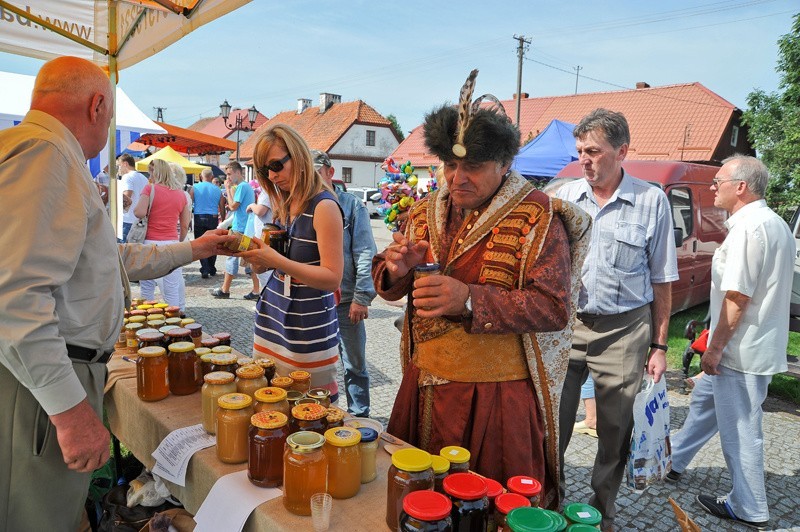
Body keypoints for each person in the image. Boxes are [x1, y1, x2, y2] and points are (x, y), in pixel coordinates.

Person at [0, 56, 233, 531]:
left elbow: (111, 260)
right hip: (43, 385)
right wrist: (69, 414)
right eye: (108, 120)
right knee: (36, 519)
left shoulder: (40, 151)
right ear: (97, 105)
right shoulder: (46, 154)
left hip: (46, 374)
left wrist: (194, 248)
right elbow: (15, 298)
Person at [372, 70, 589, 507]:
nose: (457, 178)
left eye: (473, 166)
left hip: (496, 398)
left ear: (505, 163)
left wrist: (468, 298)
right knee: (417, 503)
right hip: (423, 387)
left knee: (488, 509)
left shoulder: (540, 217)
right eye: (450, 165)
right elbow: (388, 282)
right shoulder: (422, 211)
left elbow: (553, 308)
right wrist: (397, 270)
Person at [555, 108, 678, 531]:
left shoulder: (651, 201)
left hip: (625, 329)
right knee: (552, 421)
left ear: (622, 151)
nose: (584, 160)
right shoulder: (565, 198)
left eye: (594, 151)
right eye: (580, 152)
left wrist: (660, 346)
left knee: (615, 428)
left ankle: (601, 511)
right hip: (566, 327)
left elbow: (662, 280)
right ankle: (550, 500)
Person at [666, 156, 793, 530]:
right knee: (706, 405)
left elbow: (738, 296)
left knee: (741, 429)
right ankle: (672, 461)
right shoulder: (773, 223)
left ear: (741, 186)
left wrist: (715, 348)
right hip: (751, 345)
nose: (711, 187)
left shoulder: (750, 228)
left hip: (739, 351)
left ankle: (750, 506)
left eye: (717, 181)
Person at [231, 124, 344, 402]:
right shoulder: (286, 202)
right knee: (272, 402)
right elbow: (274, 262)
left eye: (276, 165)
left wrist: (276, 259)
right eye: (263, 170)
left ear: (299, 156)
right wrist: (254, 258)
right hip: (273, 318)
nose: (271, 175)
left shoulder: (324, 206)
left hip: (308, 329)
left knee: (310, 409)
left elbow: (332, 278)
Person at [313, 149, 377, 417]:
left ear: (330, 172)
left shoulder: (351, 205)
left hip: (346, 298)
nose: (312, 180)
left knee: (354, 363)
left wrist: (362, 296)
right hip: (313, 301)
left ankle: (359, 416)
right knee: (316, 363)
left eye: (317, 173)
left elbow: (364, 251)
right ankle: (319, 416)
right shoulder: (301, 206)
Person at [133, 159, 191, 310]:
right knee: (172, 288)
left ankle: (147, 322)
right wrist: (178, 240)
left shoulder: (149, 189)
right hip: (172, 243)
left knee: (147, 287)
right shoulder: (181, 194)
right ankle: (175, 323)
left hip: (149, 242)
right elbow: (184, 225)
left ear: (154, 172)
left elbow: (139, 212)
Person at [210, 161, 260, 300]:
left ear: (238, 172)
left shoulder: (242, 187)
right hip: (244, 228)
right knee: (247, 259)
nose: (228, 177)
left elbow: (232, 206)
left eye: (229, 174)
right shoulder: (246, 187)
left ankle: (225, 290)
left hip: (240, 229)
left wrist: (227, 190)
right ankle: (256, 290)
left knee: (232, 257)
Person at [190, 167, 225, 278]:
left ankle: (204, 268)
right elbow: (222, 206)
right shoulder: (217, 189)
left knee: (200, 243)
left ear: (201, 176)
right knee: (213, 243)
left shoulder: (194, 188)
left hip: (199, 216)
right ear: (212, 177)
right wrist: (223, 220)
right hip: (213, 218)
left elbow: (189, 204)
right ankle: (212, 267)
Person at [116, 153, 148, 242]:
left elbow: (126, 197)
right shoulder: (144, 178)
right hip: (139, 221)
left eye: (119, 166)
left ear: (125, 164)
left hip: (127, 220)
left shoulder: (127, 177)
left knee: (123, 252)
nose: (119, 169)